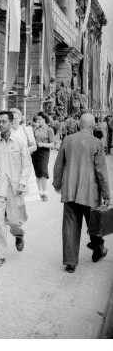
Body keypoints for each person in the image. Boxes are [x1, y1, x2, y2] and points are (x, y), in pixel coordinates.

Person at [53, 113, 111, 273]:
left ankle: (70, 262)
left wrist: (57, 184)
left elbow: (58, 164)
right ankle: (98, 246)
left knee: (70, 224)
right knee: (94, 224)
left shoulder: (68, 140)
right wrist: (106, 194)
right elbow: (101, 172)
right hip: (90, 193)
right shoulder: (97, 143)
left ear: (79, 125)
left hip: (70, 190)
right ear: (93, 127)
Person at [0, 111, 32, 268]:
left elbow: (26, 164)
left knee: (13, 221)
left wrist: (22, 183)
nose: (1, 124)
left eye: (4, 121)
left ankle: (18, 235)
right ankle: (0, 255)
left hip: (15, 187)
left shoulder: (20, 141)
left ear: (12, 123)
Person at [31, 111, 55, 202]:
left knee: (43, 172)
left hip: (44, 152)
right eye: (37, 119)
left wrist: (43, 145)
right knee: (37, 173)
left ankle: (45, 194)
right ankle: (39, 193)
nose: (38, 121)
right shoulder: (36, 129)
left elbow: (52, 144)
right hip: (35, 152)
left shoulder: (50, 130)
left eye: (40, 119)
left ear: (45, 119)